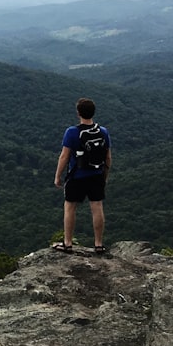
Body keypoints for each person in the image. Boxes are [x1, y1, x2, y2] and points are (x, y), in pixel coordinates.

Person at [52, 98, 112, 253]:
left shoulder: (72, 132)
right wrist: (104, 175)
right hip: (97, 175)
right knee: (97, 207)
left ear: (78, 113)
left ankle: (68, 243)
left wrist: (57, 176)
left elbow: (64, 156)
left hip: (77, 176)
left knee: (70, 207)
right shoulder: (103, 131)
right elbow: (108, 157)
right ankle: (98, 244)